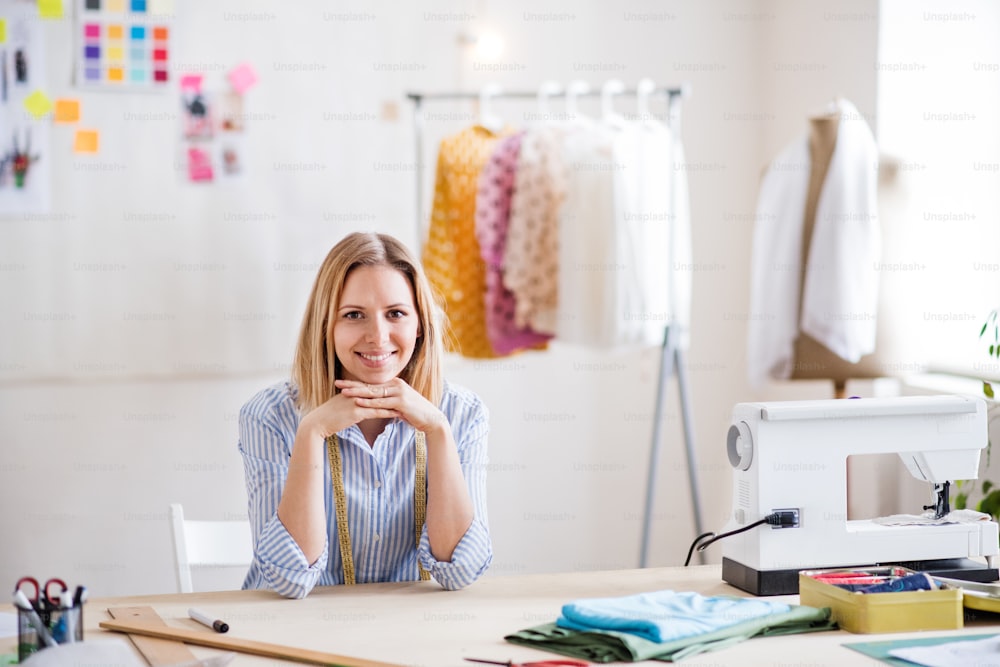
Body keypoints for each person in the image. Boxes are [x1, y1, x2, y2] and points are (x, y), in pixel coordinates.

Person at [238, 231, 492, 598]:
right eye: (354, 315)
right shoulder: (271, 416)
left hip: (404, 634)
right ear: (325, 325)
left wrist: (437, 431)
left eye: (396, 314)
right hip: (292, 632)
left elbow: (461, 572)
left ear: (419, 325)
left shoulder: (461, 414)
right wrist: (311, 431)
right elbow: (290, 580)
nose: (378, 335)